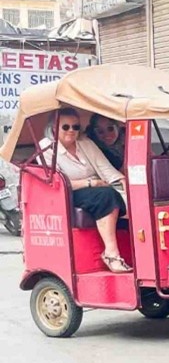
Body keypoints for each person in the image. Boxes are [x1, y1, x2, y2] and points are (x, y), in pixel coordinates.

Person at [43, 108, 131, 272]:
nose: (71, 131)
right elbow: (57, 182)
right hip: (68, 193)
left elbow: (106, 169)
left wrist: (125, 184)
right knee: (106, 195)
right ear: (54, 128)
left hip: (97, 187)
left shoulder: (85, 143)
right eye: (66, 127)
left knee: (134, 196)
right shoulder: (46, 148)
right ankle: (111, 254)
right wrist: (90, 183)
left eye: (75, 127)